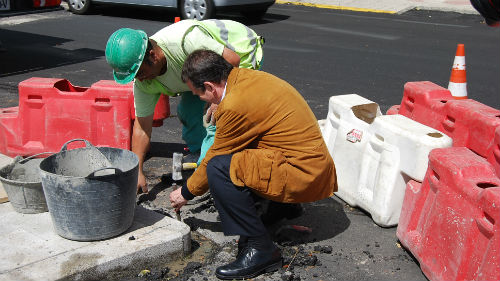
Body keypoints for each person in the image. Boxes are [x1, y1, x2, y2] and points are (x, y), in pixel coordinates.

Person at [170, 50, 338, 280]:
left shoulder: (235, 104)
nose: (201, 99)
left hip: (303, 175)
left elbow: (215, 155)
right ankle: (283, 207)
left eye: (198, 94)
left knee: (220, 168)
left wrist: (185, 192)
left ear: (210, 87)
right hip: (312, 167)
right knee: (241, 157)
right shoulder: (246, 79)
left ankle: (261, 250)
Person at [105, 19, 264, 193]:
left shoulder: (186, 42)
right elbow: (142, 127)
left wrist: (219, 102)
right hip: (199, 71)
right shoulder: (143, 81)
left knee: (215, 122)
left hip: (238, 53)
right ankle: (200, 157)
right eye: (135, 76)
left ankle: (213, 177)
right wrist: (137, 172)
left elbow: (232, 60)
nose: (139, 79)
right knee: (188, 112)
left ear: (153, 56)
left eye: (140, 72)